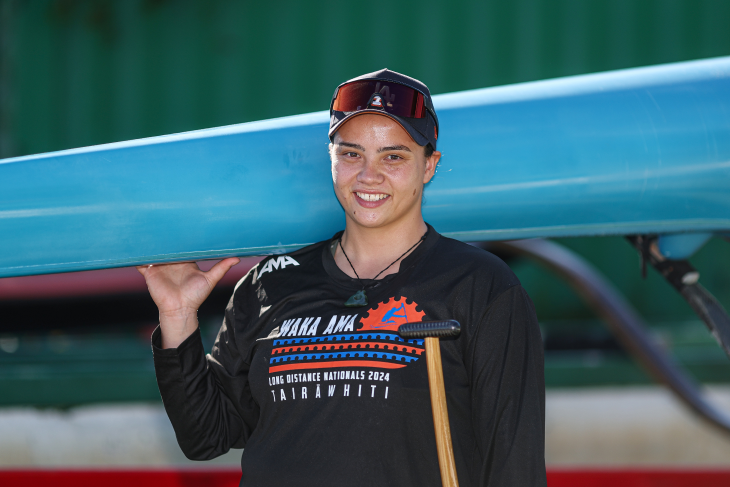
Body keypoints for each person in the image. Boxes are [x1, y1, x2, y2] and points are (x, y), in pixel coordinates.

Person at [139, 69, 546, 486]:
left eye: (394, 156)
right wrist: (177, 314)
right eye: (352, 154)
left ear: (429, 165)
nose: (369, 176)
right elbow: (205, 436)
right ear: (330, 158)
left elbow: (515, 463)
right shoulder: (271, 283)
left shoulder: (480, 286)